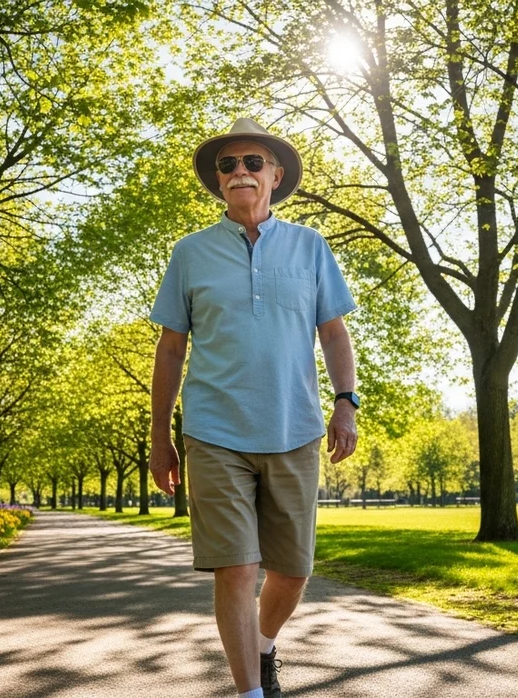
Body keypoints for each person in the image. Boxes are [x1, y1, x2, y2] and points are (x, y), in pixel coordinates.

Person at [147, 118, 360, 698]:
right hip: (214, 430)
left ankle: (263, 644)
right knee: (236, 568)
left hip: (295, 427)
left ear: (275, 174)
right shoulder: (190, 253)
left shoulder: (310, 246)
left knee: (292, 573)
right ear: (217, 179)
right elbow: (171, 348)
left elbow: (334, 333)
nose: (239, 171)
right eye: (228, 164)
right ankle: (249, 692)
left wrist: (346, 403)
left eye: (251, 162)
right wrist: (160, 436)